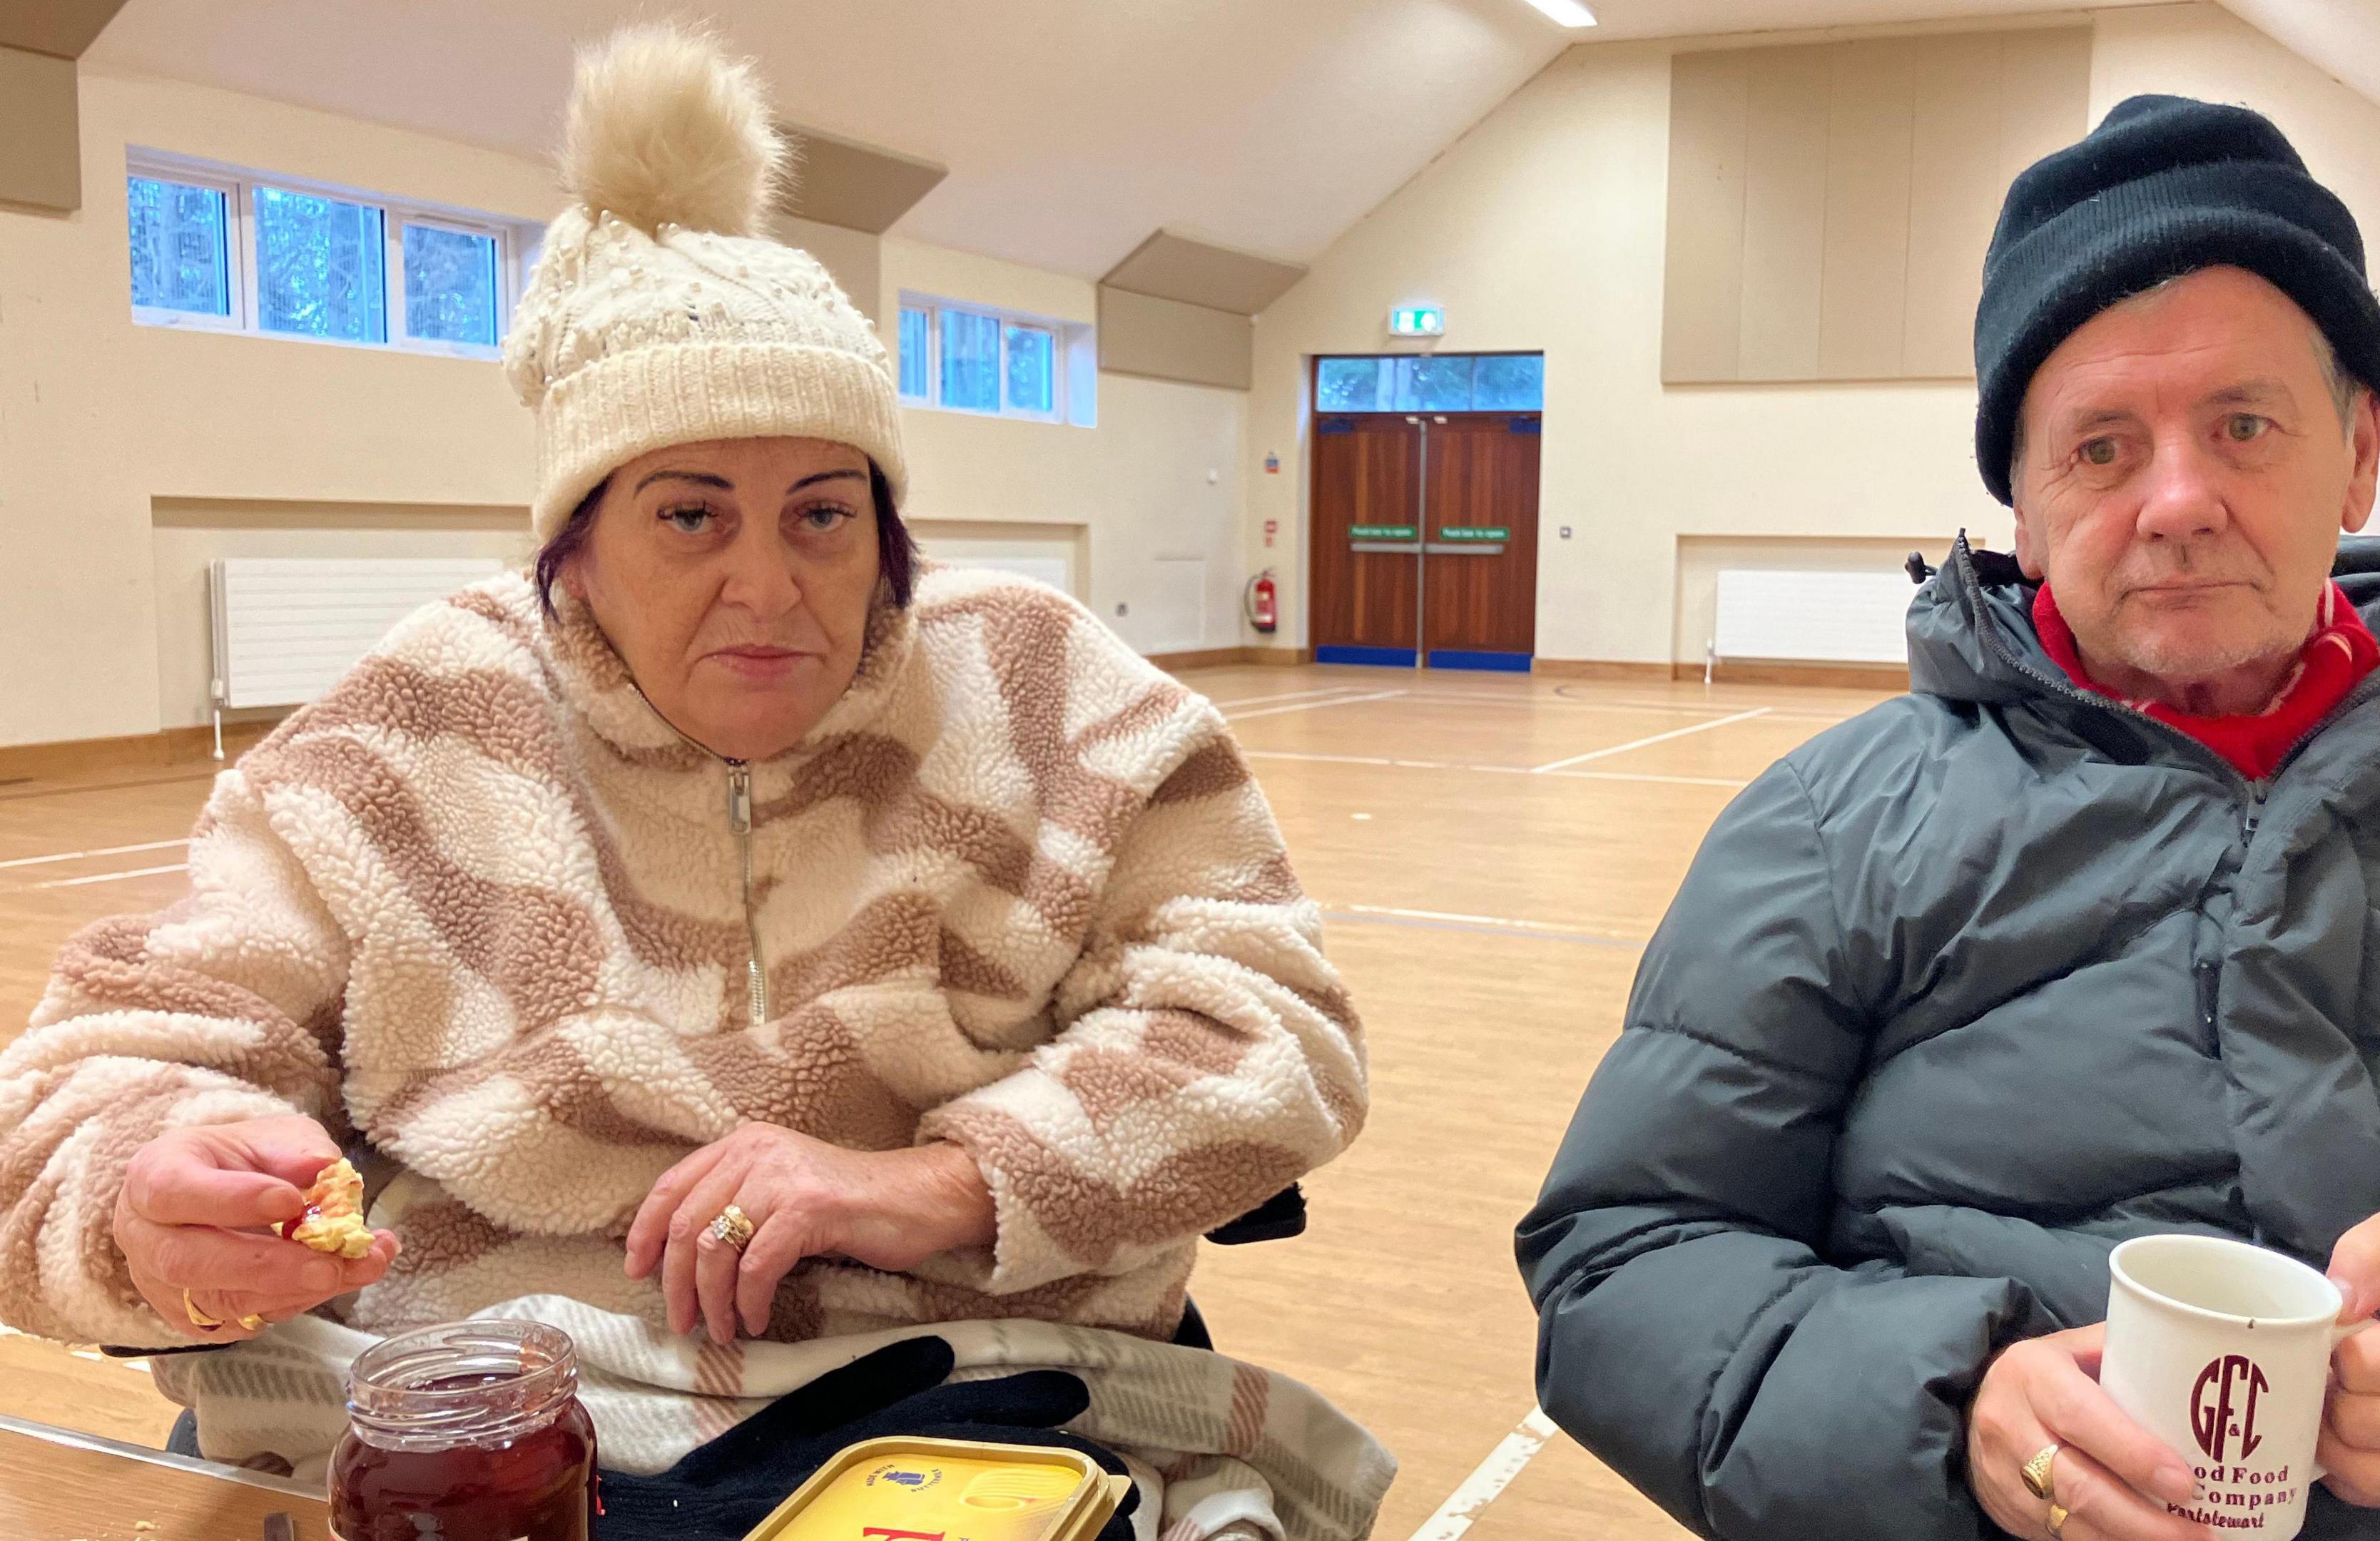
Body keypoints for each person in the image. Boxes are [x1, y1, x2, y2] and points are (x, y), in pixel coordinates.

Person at [0, 21, 1364, 1419]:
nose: (767, 586)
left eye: (823, 516)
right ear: (575, 547)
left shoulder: (1044, 694)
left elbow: (1274, 1025)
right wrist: (146, 1187)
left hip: (993, 1380)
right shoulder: (413, 735)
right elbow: (105, 1068)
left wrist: (941, 1183)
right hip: (511, 1408)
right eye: (691, 515)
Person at [1519, 95, 2380, 1541]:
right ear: (2023, 509)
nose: (2177, 501)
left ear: (2359, 452)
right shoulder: (1836, 825)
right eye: (2101, 446)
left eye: (2244, 425)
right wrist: (1946, 1410)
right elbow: (1627, 1260)